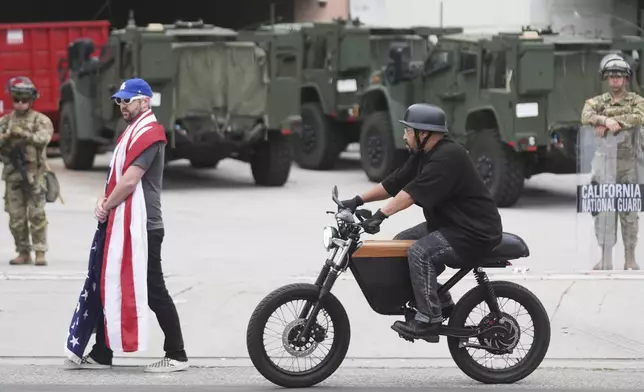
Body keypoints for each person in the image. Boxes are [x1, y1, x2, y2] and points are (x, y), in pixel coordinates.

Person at [340, 103, 503, 341]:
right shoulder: (425, 155)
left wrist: (380, 216)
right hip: (449, 225)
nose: (404, 136)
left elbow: (410, 194)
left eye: (407, 131)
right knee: (400, 245)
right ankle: (443, 304)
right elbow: (394, 183)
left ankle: (429, 320)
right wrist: (356, 200)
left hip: (473, 232)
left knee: (419, 253)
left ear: (423, 133)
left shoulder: (447, 158)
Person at [72, 78, 189, 372]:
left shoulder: (150, 134)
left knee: (153, 289)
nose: (122, 105)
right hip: (122, 223)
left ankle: (177, 354)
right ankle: (102, 352)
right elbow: (114, 175)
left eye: (128, 100)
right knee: (107, 280)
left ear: (145, 101)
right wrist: (103, 201)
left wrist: (107, 204)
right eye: (119, 101)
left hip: (145, 227)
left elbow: (131, 179)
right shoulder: (129, 134)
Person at [581, 55, 644, 271]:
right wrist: (604, 120)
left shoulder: (636, 100)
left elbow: (639, 116)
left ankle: (630, 258)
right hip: (604, 163)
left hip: (627, 163)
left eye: (620, 77)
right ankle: (605, 258)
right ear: (607, 79)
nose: (616, 80)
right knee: (603, 212)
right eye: (612, 77)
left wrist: (610, 122)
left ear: (626, 79)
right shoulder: (598, 101)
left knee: (629, 212)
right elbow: (585, 114)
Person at [0, 76, 53, 266]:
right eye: (16, 100)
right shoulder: (6, 121)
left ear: (31, 100)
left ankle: (39, 251)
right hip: (13, 176)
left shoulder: (40, 120)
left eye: (24, 100)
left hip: (35, 175)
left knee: (37, 215)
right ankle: (23, 251)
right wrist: (7, 136)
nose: (20, 104)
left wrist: (25, 135)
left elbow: (44, 138)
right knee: (16, 217)